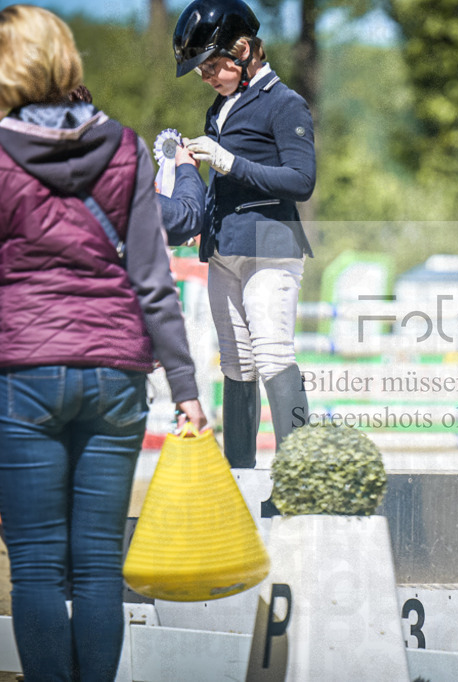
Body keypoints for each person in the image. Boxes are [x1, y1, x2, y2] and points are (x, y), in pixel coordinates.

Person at [0, 5, 207, 679]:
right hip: (117, 371)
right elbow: (153, 278)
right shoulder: (121, 144)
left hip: (24, 371)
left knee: (35, 564)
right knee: (95, 564)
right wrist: (186, 390)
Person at [171, 0, 315, 467]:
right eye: (202, 71)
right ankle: (239, 471)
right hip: (224, 247)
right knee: (235, 363)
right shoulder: (220, 108)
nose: (209, 76)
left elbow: (301, 180)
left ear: (245, 49)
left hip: (271, 242)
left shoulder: (285, 102)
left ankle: (299, 473)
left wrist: (231, 162)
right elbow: (223, 184)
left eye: (214, 65)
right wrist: (202, 219)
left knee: (272, 354)